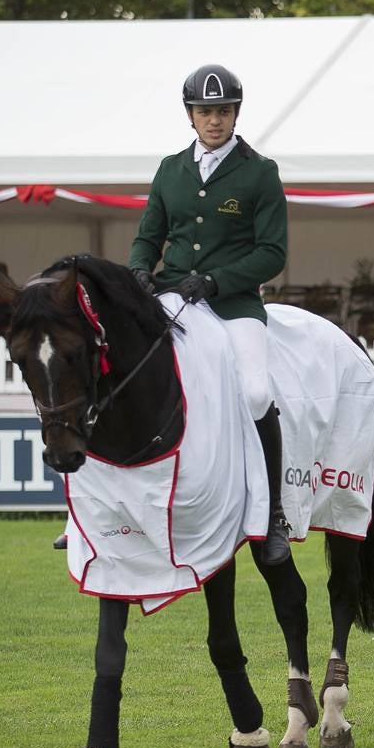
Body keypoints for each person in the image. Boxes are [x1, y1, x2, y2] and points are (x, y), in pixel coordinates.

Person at [128, 64, 293, 566]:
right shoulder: (169, 168)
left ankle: (276, 514)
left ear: (235, 113)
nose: (214, 120)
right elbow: (148, 236)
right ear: (191, 116)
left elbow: (272, 253)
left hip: (233, 303)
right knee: (122, 373)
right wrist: (138, 270)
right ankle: (102, 507)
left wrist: (219, 281)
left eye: (222, 111)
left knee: (255, 391)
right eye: (205, 112)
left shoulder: (259, 171)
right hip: (173, 295)